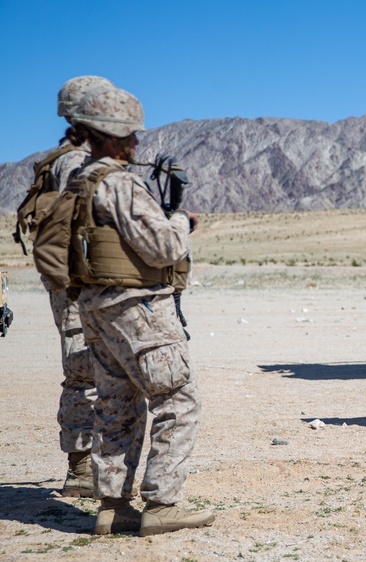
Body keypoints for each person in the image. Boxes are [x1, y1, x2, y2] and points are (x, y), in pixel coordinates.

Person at [67, 85, 214, 535]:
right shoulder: (119, 183)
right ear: (109, 135)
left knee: (117, 404)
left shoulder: (80, 181)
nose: (135, 143)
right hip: (137, 308)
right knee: (178, 398)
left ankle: (112, 506)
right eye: (129, 135)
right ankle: (162, 504)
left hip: (97, 310)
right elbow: (163, 248)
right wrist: (179, 221)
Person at [22, 75, 114, 498]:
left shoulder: (62, 160)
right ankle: (82, 469)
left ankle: (89, 466)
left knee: (88, 368)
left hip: (75, 281)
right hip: (81, 283)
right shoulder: (75, 163)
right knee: (86, 369)